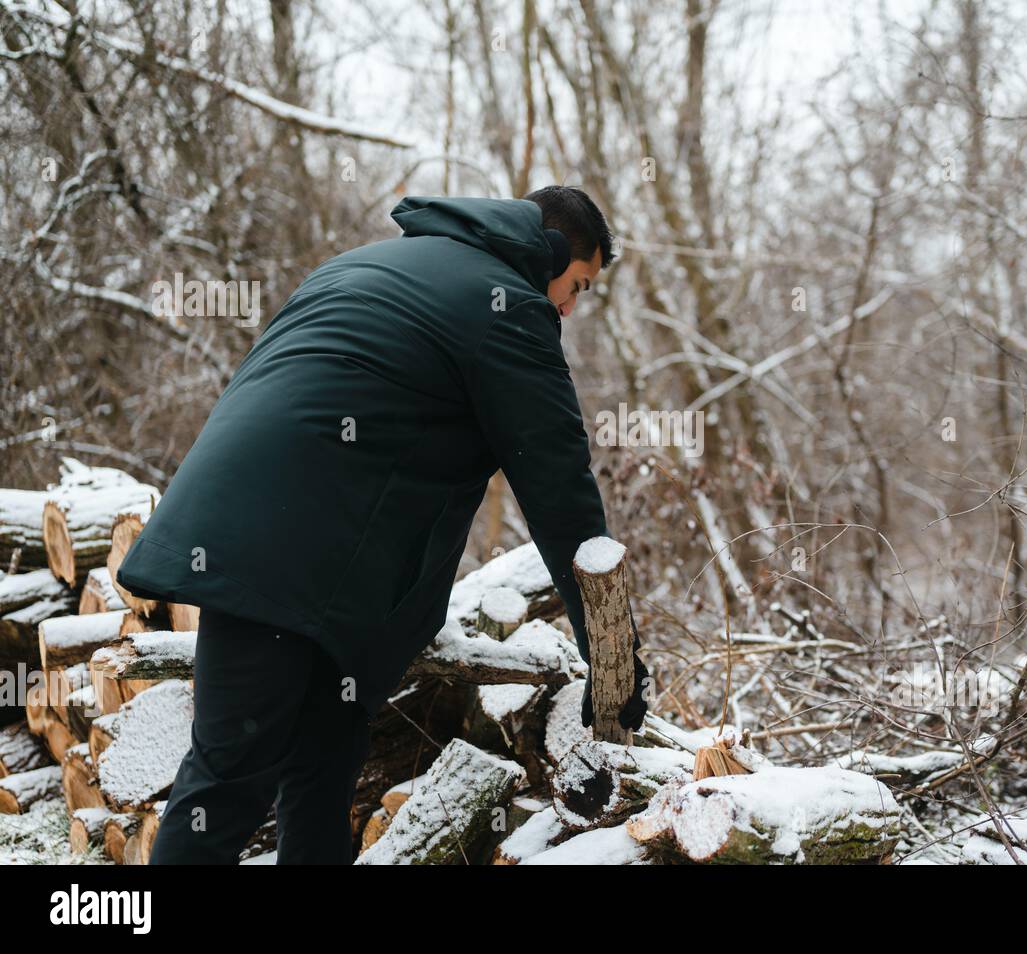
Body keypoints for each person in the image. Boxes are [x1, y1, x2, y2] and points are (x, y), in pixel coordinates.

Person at [116, 186, 651, 864]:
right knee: (230, 782)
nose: (570, 309)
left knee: (320, 763)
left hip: (247, 541)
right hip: (291, 556)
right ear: (544, 253)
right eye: (575, 285)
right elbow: (560, 494)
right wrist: (616, 661)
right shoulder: (507, 306)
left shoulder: (356, 265)